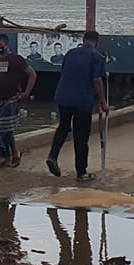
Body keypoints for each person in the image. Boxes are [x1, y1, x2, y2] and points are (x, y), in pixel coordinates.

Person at [46, 31, 108, 182]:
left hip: (63, 97)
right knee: (81, 136)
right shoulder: (97, 57)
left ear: (83, 40)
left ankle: (52, 156)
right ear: (96, 42)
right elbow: (97, 81)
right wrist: (103, 103)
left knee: (63, 126)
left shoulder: (70, 54)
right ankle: (81, 172)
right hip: (82, 100)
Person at [0, 34, 36, 168]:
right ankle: (9, 156)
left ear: (6, 45)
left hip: (12, 99)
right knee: (3, 129)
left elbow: (32, 74)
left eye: (0, 46)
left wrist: (27, 92)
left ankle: (13, 154)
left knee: (3, 128)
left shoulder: (17, 60)